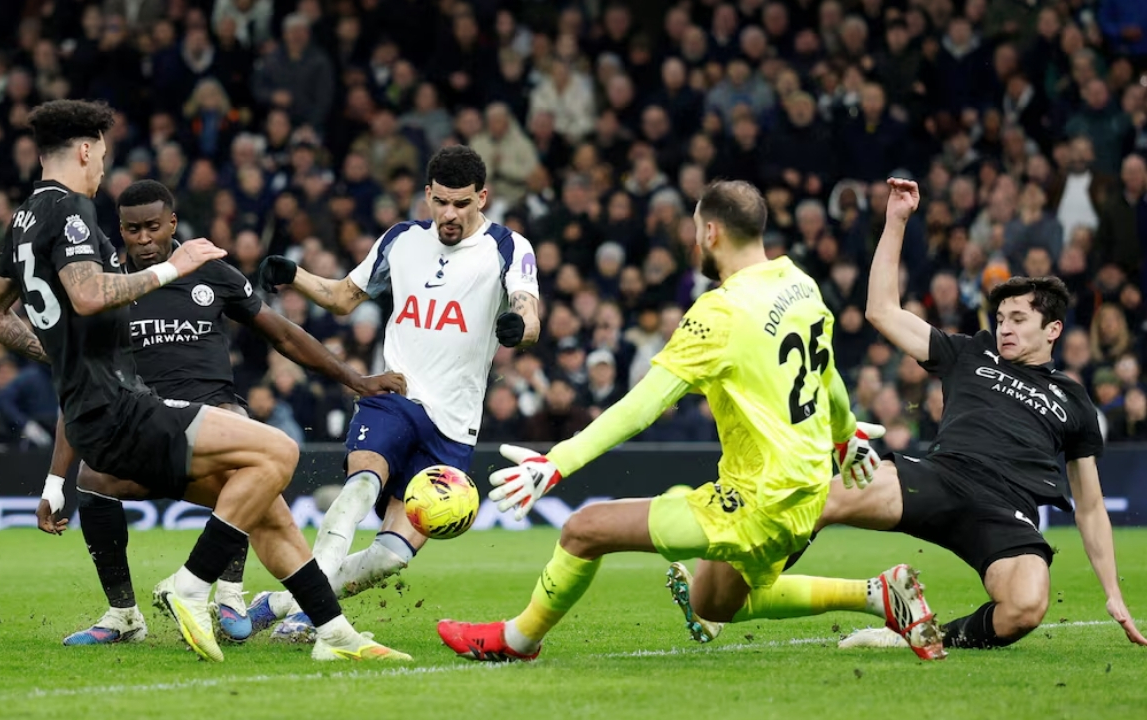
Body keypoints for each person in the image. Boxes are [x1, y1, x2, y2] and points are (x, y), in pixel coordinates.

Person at [0, 99, 409, 663]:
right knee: (279, 452)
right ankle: (192, 585)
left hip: (103, 415)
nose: (102, 166)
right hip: (124, 412)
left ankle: (336, 634)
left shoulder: (24, 218)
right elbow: (88, 294)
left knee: (270, 511)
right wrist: (171, 269)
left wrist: (60, 356)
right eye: (101, 154)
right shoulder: (71, 211)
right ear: (83, 150)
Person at [435, 180, 945, 663]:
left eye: (696, 230)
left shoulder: (719, 312)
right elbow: (824, 372)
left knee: (583, 529)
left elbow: (643, 405)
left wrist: (557, 463)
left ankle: (518, 640)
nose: (695, 241)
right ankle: (880, 593)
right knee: (713, 602)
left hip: (760, 500)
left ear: (712, 232)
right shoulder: (799, 283)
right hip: (805, 490)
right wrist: (845, 435)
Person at [671, 178, 1147, 652]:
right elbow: (882, 311)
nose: (1005, 328)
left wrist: (1113, 593)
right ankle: (726, 593)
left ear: (1054, 329)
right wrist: (896, 221)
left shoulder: (1073, 399)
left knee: (1025, 607)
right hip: (939, 478)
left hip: (1007, 511)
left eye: (1019, 320)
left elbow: (1090, 505)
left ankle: (915, 633)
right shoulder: (971, 352)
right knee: (815, 500)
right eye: (1001, 318)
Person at [38, 179, 405, 647]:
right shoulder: (107, 291)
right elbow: (82, 389)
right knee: (92, 476)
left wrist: (355, 379)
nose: (144, 239)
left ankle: (232, 595)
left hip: (210, 422)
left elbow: (283, 334)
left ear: (172, 223)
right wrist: (55, 481)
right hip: (145, 429)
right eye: (133, 230)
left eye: (153, 227)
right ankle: (124, 615)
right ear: (121, 230)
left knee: (241, 437)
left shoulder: (211, 273)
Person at [246, 145, 542, 640]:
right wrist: (295, 276)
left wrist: (518, 326)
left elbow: (528, 308)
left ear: (482, 198)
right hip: (395, 395)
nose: (450, 214)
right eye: (440, 202)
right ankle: (322, 618)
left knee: (391, 556)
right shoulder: (401, 240)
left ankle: (279, 603)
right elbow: (344, 297)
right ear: (427, 195)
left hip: (453, 425)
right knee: (360, 487)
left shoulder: (508, 246)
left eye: (461, 204)